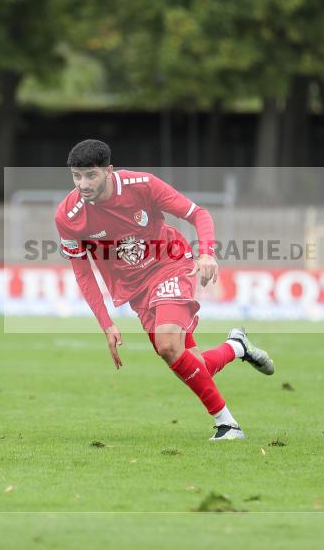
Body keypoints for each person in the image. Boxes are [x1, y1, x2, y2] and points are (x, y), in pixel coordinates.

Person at [54, 139, 274, 441]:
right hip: (136, 291)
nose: (83, 184)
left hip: (170, 264)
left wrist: (207, 253)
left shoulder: (142, 185)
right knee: (191, 365)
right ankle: (237, 346)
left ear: (109, 170)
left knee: (170, 346)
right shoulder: (67, 216)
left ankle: (228, 425)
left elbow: (199, 214)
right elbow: (83, 274)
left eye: (90, 175)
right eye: (77, 176)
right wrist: (106, 324)